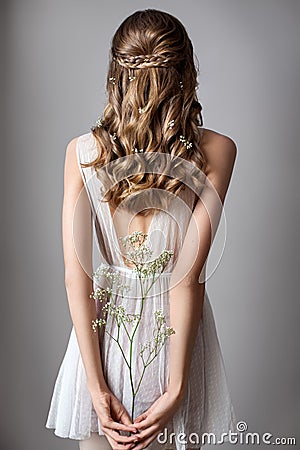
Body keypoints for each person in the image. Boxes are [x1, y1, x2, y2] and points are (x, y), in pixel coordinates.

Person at [45, 8, 237, 450]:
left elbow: (78, 277)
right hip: (175, 341)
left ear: (116, 73)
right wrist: (176, 386)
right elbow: (187, 277)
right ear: (187, 71)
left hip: (106, 338)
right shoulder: (218, 151)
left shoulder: (81, 153)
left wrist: (95, 388)